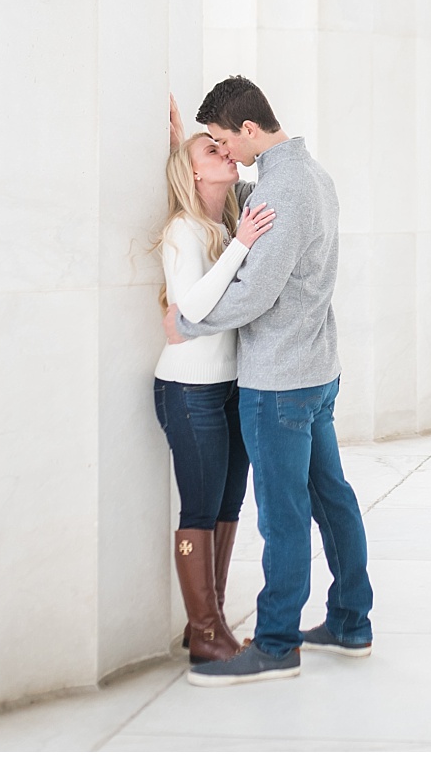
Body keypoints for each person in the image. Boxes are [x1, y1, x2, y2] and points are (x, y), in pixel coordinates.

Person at [164, 75, 373, 687]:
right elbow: (226, 187)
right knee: (332, 500)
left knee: (283, 517)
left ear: (249, 130)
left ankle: (277, 643)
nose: (226, 154)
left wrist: (188, 323)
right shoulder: (307, 175)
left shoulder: (284, 191)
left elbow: (255, 293)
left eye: (227, 141)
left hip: (279, 381)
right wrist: (183, 150)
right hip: (315, 370)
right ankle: (349, 622)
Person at [154, 105, 276, 669]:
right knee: (200, 508)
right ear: (194, 173)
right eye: (212, 150)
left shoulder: (225, 220)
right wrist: (242, 246)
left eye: (223, 145)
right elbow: (195, 306)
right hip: (189, 391)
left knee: (229, 503)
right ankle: (204, 631)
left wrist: (185, 141)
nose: (224, 152)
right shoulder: (185, 230)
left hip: (228, 386)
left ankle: (213, 622)